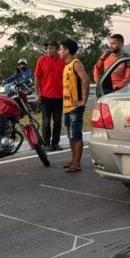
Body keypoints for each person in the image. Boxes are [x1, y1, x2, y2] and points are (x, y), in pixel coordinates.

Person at [60, 39, 90, 173]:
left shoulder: (76, 64)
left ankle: (77, 163)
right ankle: (73, 160)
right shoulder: (66, 65)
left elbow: (86, 80)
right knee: (70, 134)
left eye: (61, 49)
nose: (60, 52)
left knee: (76, 134)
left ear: (67, 51)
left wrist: (83, 100)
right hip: (67, 106)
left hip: (75, 107)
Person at [34, 41, 65, 151]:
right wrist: (37, 94)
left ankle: (55, 143)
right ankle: (46, 143)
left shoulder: (63, 60)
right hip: (45, 96)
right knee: (46, 122)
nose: (48, 50)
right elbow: (37, 78)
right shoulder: (42, 60)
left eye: (51, 48)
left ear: (57, 49)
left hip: (59, 97)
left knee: (57, 121)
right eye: (48, 48)